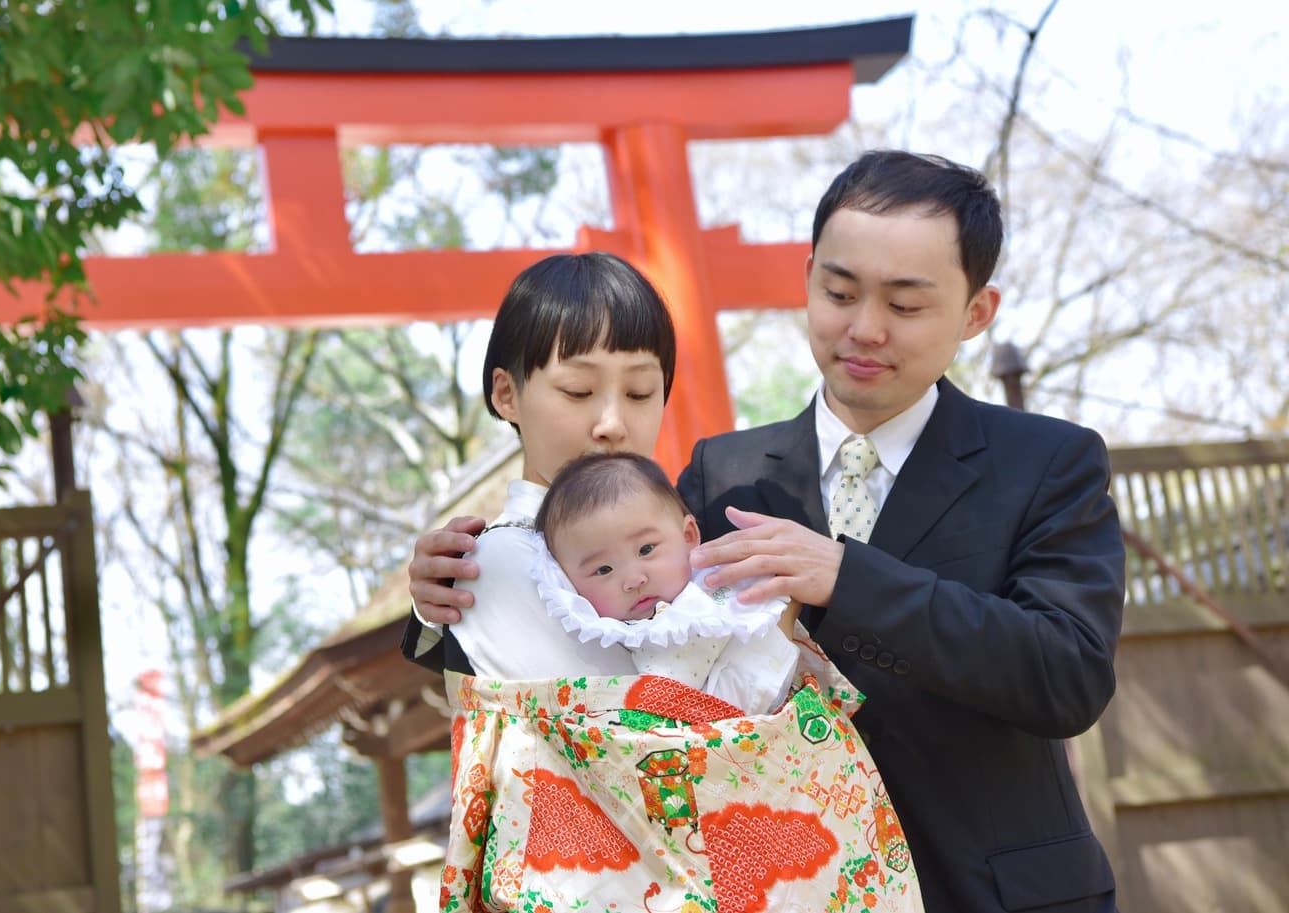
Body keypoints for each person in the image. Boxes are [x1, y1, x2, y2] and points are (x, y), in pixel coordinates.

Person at [404, 151, 1126, 913]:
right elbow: (603, 619)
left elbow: (1069, 673)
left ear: (977, 311)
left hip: (991, 891)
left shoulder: (1048, 460)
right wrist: (434, 602)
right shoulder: (723, 473)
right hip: (782, 888)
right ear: (809, 276)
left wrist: (847, 580)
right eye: (840, 291)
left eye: (906, 305)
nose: (865, 327)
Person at [427, 251, 922, 913]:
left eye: (639, 391)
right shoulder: (498, 562)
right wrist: (771, 624)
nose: (613, 422)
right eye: (578, 391)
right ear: (506, 394)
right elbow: (662, 717)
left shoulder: (684, 524)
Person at [533, 450, 798, 714]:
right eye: (603, 569)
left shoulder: (723, 580)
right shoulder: (633, 638)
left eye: (646, 550)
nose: (634, 580)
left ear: (688, 535)